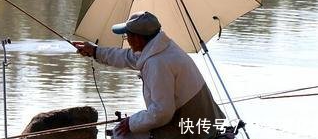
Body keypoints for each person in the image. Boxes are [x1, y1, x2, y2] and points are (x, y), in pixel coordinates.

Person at [74, 11, 225, 139]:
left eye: (127, 36)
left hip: (193, 130)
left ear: (138, 38)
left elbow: (162, 112)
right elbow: (126, 57)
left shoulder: (157, 63)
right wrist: (95, 51)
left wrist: (131, 123)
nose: (127, 40)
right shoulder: (161, 47)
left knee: (121, 134)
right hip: (203, 120)